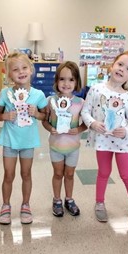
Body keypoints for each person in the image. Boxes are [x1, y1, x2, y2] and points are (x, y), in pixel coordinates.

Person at [81, 50, 128, 222]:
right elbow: (85, 111)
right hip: (103, 140)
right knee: (103, 172)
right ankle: (99, 203)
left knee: (127, 175)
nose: (122, 70)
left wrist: (126, 130)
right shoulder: (96, 89)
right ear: (112, 65)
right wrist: (92, 123)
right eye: (120, 64)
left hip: (123, 143)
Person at [0, 52, 47, 225]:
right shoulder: (5, 93)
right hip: (10, 141)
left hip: (28, 142)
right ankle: (6, 205)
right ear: (9, 73)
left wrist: (37, 113)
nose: (21, 72)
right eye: (15, 69)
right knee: (8, 175)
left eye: (24, 67)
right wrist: (5, 116)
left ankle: (26, 205)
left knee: (26, 173)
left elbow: (44, 116)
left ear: (31, 69)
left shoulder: (38, 94)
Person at [42, 61, 87, 217]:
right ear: (56, 81)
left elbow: (86, 124)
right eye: (62, 79)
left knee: (69, 174)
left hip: (73, 147)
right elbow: (44, 121)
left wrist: (78, 129)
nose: (66, 83)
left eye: (71, 79)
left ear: (77, 82)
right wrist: (51, 128)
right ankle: (56, 200)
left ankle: (69, 199)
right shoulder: (51, 101)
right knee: (58, 174)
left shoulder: (80, 103)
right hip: (56, 146)